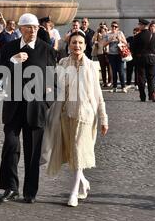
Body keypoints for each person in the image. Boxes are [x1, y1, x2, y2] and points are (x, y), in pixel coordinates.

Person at [41, 29, 108, 207]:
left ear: (85, 46)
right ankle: (84, 183)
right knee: (72, 152)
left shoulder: (92, 66)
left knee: (78, 150)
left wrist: (104, 118)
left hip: (86, 114)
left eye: (80, 43)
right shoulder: (62, 63)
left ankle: (73, 193)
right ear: (68, 45)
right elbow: (54, 87)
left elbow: (98, 94)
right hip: (65, 114)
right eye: (73, 42)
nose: (76, 45)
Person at [0, 13, 56, 205]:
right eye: (29, 27)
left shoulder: (46, 50)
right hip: (13, 106)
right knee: (11, 146)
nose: (32, 31)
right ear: (20, 28)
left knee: (33, 152)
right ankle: (10, 188)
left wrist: (46, 101)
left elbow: (55, 82)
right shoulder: (9, 48)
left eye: (35, 27)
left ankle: (30, 191)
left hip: (36, 108)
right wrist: (13, 61)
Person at [131, 18, 155, 102]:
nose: (138, 26)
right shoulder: (153, 35)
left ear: (143, 25)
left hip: (141, 59)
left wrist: (135, 58)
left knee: (141, 78)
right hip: (152, 58)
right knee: (151, 78)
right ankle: (152, 95)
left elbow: (133, 49)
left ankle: (142, 96)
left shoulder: (137, 36)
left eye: (139, 24)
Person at [104, 21, 128, 93]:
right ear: (111, 27)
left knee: (121, 71)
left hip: (120, 54)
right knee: (114, 71)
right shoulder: (108, 34)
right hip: (111, 54)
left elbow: (126, 43)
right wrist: (110, 40)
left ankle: (123, 87)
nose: (114, 28)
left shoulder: (120, 33)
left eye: (115, 26)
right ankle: (114, 87)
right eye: (112, 26)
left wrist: (119, 39)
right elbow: (104, 44)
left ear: (118, 27)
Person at [92, 23, 112, 87]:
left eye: (104, 26)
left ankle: (110, 81)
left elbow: (110, 38)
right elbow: (93, 40)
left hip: (108, 52)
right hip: (100, 52)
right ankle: (104, 82)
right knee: (103, 68)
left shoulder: (109, 32)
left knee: (109, 67)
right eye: (101, 26)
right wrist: (97, 32)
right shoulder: (98, 33)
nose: (102, 28)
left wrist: (106, 31)